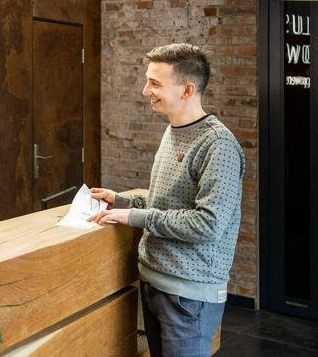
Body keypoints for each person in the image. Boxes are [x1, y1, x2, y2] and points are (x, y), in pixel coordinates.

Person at [88, 43, 244, 357]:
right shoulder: (172, 131)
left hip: (188, 296)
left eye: (155, 83)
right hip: (155, 281)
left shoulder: (218, 144)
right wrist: (121, 202)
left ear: (188, 89)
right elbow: (168, 205)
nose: (146, 91)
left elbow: (207, 224)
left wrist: (132, 217)